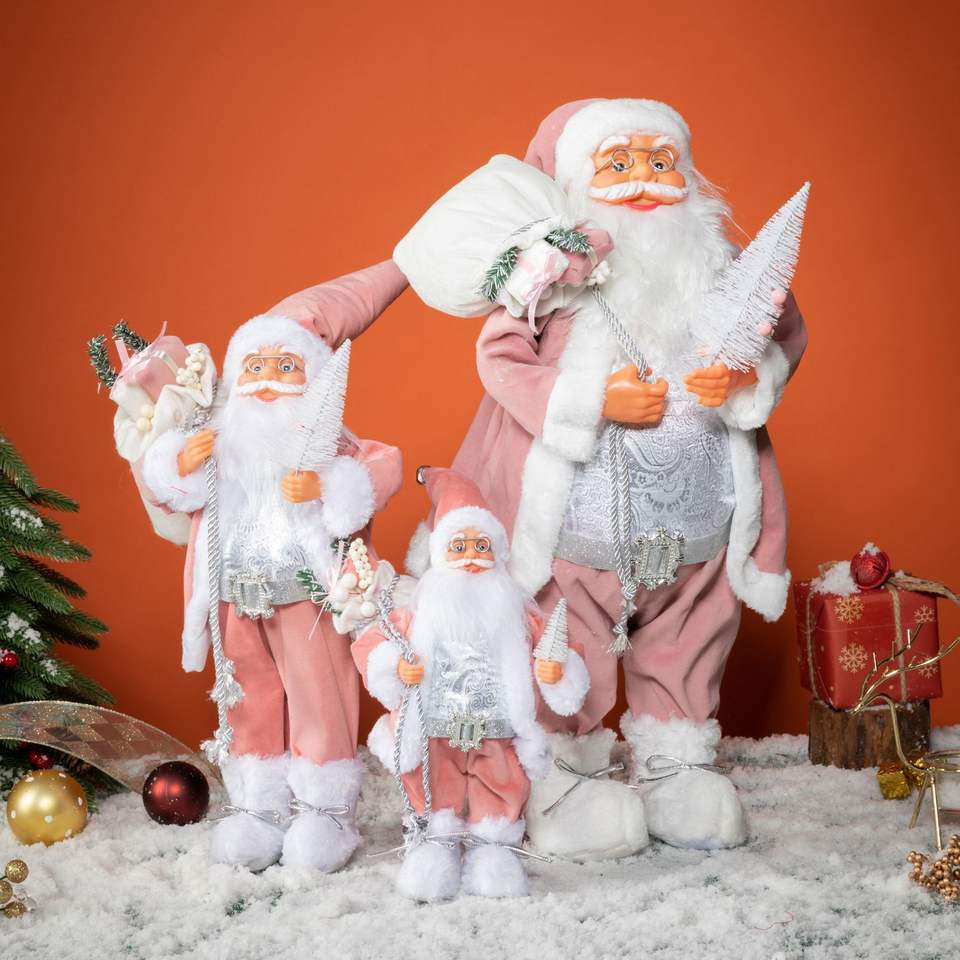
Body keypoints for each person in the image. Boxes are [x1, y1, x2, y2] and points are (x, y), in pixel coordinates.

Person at [404, 99, 807, 859]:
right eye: (617, 163)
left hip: (698, 520)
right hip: (575, 525)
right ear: (573, 180)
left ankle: (676, 763)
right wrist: (593, 399)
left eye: (660, 161)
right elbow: (501, 358)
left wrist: (747, 376)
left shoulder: (721, 262)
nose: (642, 179)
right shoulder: (555, 269)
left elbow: (782, 333)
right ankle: (565, 773)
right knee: (566, 638)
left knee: (690, 630)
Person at [141, 261, 406, 871]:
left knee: (318, 699)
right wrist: (179, 462)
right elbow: (175, 494)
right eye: (255, 367)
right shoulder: (220, 438)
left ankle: (325, 811)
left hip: (306, 596)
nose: (266, 381)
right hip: (237, 594)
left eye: (285, 368)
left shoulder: (327, 440)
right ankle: (259, 807)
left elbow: (381, 466)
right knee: (248, 700)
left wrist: (326, 484)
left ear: (313, 378)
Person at [352, 468, 591, 900]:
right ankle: (434, 843)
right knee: (430, 781)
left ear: (497, 551)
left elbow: (556, 646)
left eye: (481, 546)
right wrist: (395, 666)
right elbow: (374, 643)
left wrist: (556, 670)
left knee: (501, 780)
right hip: (434, 729)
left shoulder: (516, 611)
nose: (471, 557)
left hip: (498, 728)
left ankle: (493, 847)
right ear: (441, 553)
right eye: (459, 547)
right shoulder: (418, 611)